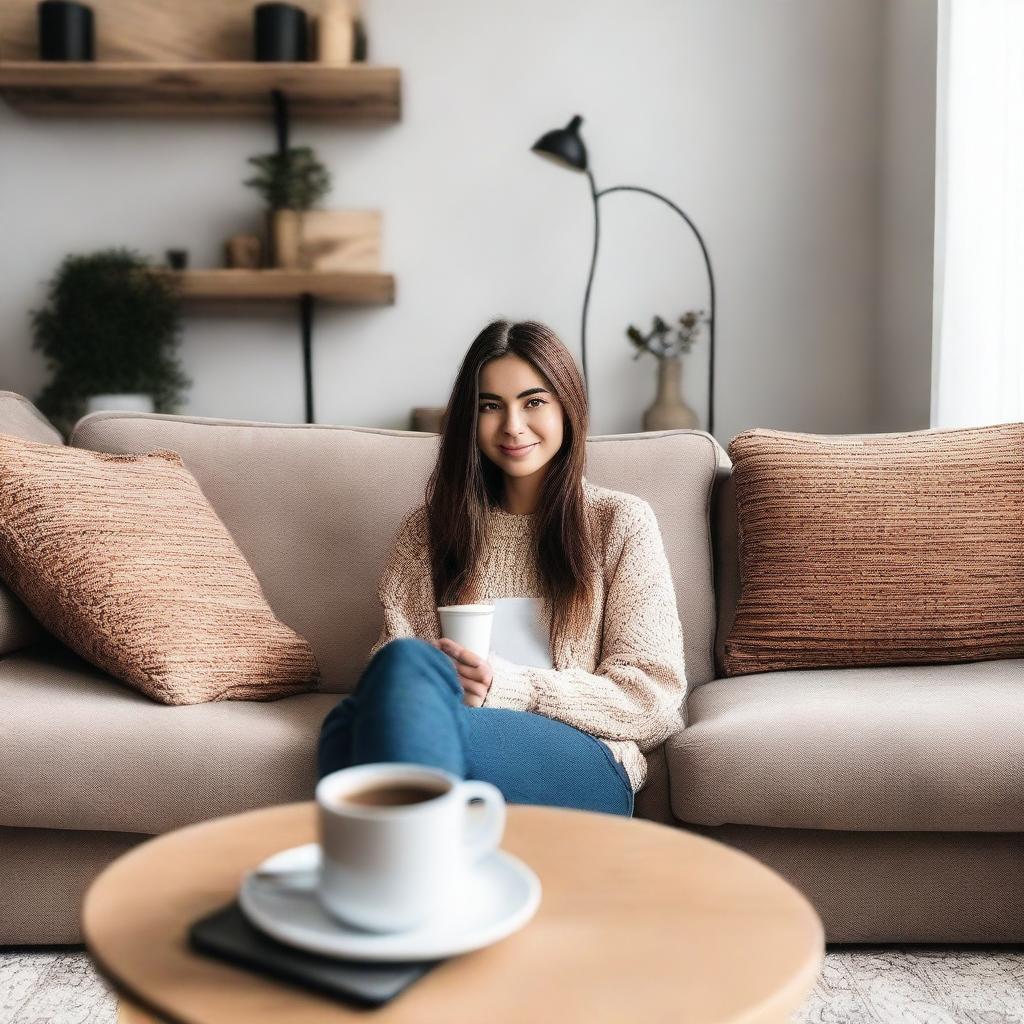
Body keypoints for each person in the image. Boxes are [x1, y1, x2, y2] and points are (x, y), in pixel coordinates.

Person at [317, 319, 687, 817]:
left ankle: (387, 855)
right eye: (491, 406)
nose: (512, 425)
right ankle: (417, 856)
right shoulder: (426, 533)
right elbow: (394, 673)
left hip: (586, 756)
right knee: (393, 672)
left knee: (348, 731)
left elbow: (654, 700)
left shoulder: (619, 523)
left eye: (533, 402)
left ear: (567, 408)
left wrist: (507, 686)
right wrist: (446, 679)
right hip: (450, 730)